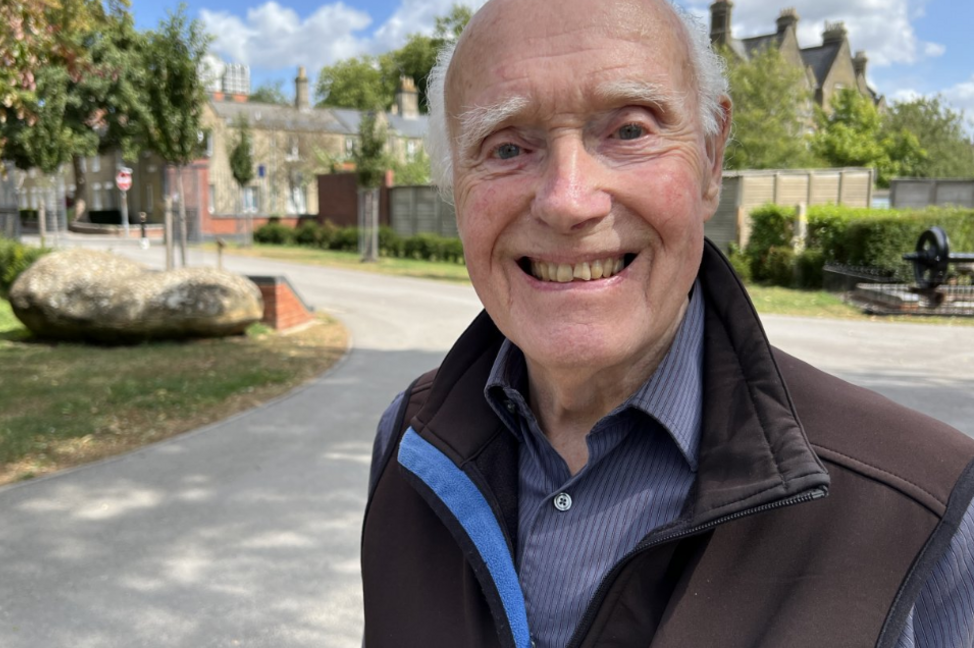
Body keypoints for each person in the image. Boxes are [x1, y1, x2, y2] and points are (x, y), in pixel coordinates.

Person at [359, 0, 974, 646]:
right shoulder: (405, 445)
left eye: (628, 131)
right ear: (455, 184)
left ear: (711, 157)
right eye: (507, 146)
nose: (568, 200)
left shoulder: (923, 520)